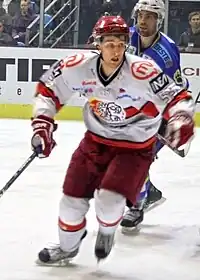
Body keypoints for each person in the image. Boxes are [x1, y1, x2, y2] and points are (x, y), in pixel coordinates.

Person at [31, 15, 194, 264]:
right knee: (71, 201)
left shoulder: (143, 70)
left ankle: (107, 230)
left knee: (110, 200)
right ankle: (67, 246)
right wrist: (42, 123)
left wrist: (181, 118)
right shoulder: (78, 66)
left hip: (135, 147)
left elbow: (177, 96)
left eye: (120, 43)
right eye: (109, 43)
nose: (116, 49)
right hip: (95, 142)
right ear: (98, 44)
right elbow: (48, 90)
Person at [120, 0, 191, 231]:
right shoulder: (126, 36)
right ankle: (147, 193)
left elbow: (176, 92)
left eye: (149, 16)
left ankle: (138, 204)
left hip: (159, 113)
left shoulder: (166, 52)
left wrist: (173, 122)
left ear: (158, 20)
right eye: (140, 15)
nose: (142, 21)